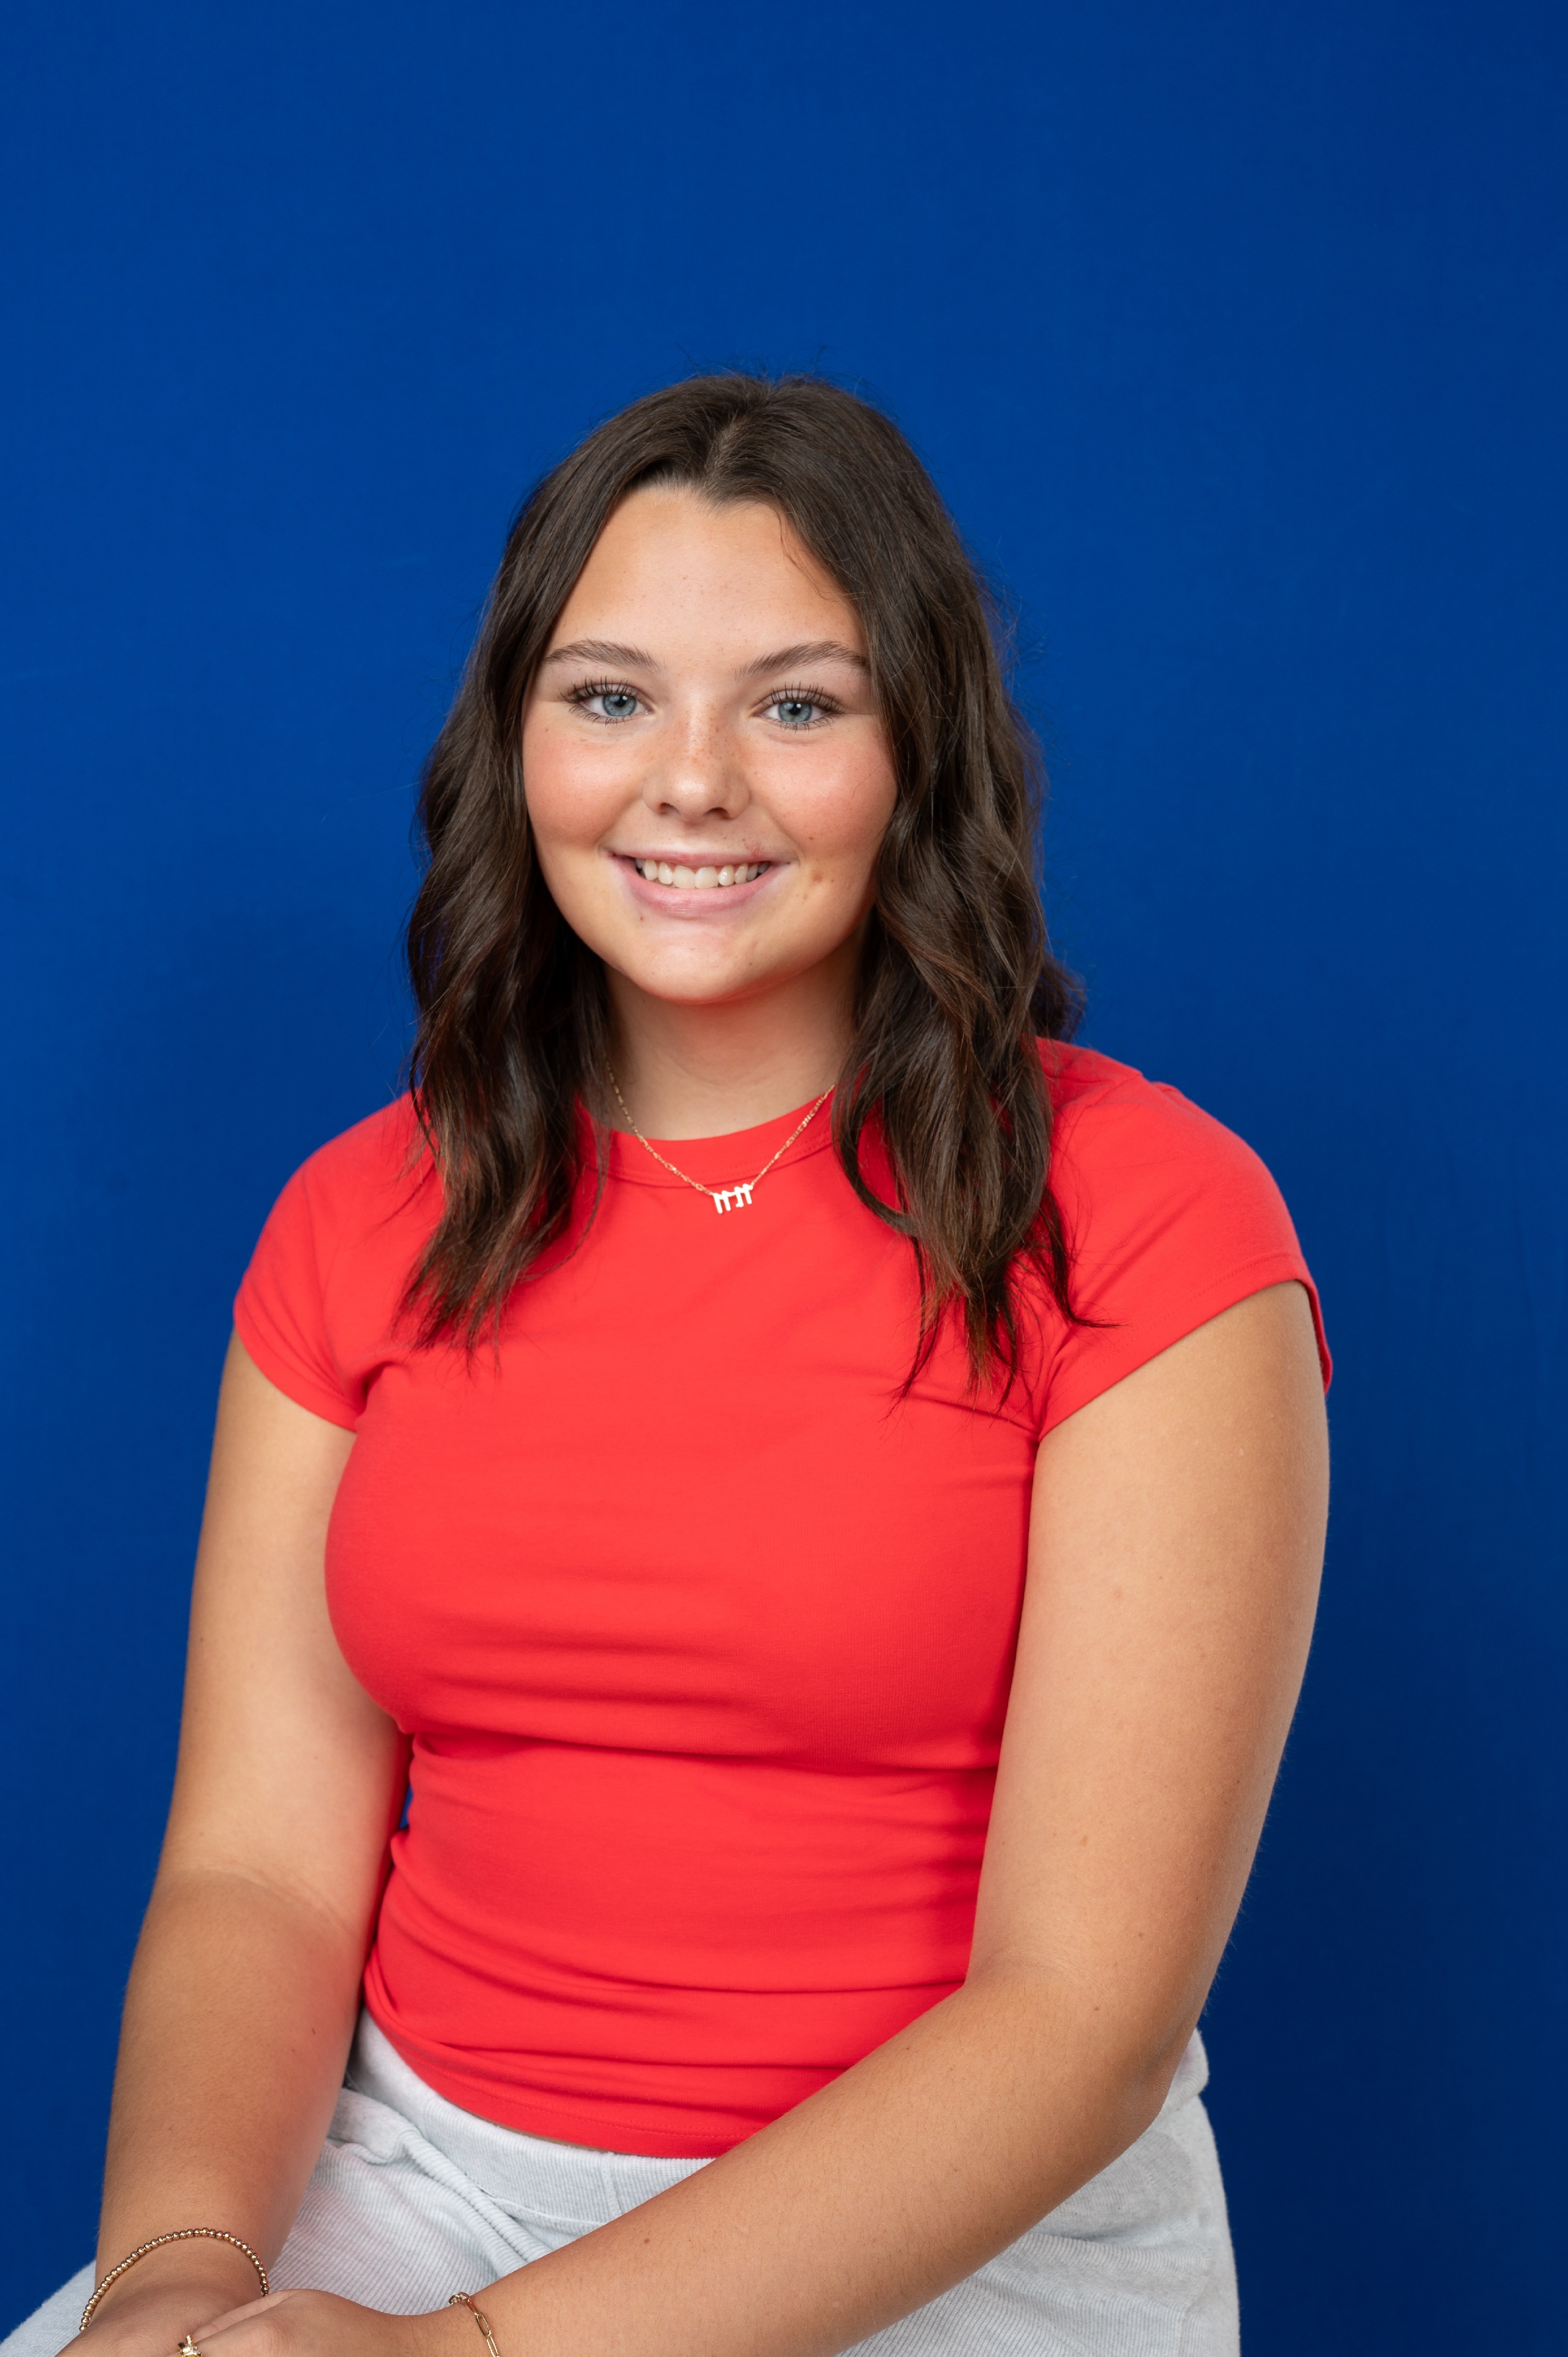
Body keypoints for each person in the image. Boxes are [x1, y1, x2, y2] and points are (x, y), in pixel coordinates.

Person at [9, 372, 1330, 2357]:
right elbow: (259, 1868)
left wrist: (473, 2354)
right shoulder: (356, 1219)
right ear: (515, 740)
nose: (689, 781)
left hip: (971, 2233)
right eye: (611, 695)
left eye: (796, 706)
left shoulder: (1152, 1218)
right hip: (427, 2180)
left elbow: (1084, 2021)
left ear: (922, 751)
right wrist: (179, 2272)